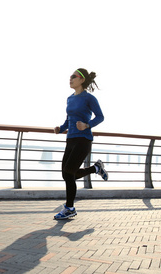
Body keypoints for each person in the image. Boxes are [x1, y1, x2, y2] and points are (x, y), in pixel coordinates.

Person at [53, 68, 108, 220]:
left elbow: (100, 117)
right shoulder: (70, 98)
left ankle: (70, 208)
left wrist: (87, 125)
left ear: (82, 80)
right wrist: (61, 128)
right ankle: (95, 168)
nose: (70, 79)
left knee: (69, 173)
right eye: (70, 76)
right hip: (70, 139)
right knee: (66, 174)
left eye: (73, 76)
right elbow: (68, 119)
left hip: (83, 139)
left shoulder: (89, 98)